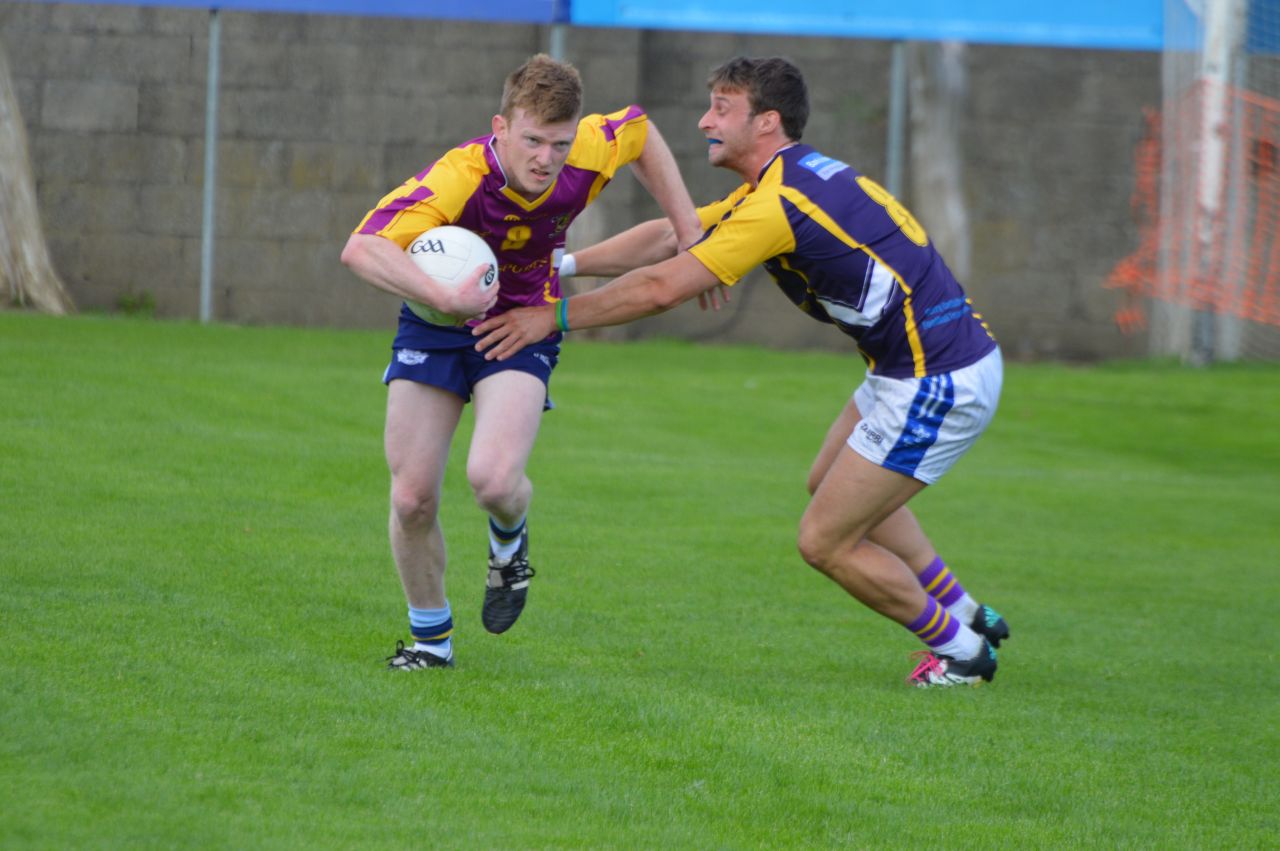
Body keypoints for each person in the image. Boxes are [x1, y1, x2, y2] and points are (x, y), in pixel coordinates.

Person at [473, 56, 1010, 687]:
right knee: (827, 482)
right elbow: (674, 239)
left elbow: (662, 287)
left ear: (768, 123)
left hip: (936, 379)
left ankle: (961, 650)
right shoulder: (785, 182)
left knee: (825, 541)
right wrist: (556, 263)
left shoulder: (779, 203)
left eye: (722, 109)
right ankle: (969, 611)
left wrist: (551, 317)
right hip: (911, 369)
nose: (704, 122)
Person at [341, 54, 702, 670]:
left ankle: (509, 543)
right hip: (437, 326)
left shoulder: (587, 149)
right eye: (532, 140)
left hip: (525, 323)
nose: (546, 158)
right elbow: (362, 247)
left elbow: (639, 130)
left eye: (559, 144)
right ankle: (431, 642)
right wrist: (444, 297)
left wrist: (689, 228)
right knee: (411, 499)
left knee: (494, 480)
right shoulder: (458, 177)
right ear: (500, 128)